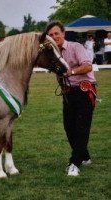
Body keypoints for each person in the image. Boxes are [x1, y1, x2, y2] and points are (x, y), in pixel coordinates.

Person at [45, 21, 97, 176]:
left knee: (81, 127)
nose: (54, 37)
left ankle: (74, 163)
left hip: (84, 90)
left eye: (56, 33)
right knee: (69, 127)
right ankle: (85, 156)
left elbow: (88, 66)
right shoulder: (54, 53)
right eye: (51, 35)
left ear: (63, 34)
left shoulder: (76, 47)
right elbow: (58, 73)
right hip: (68, 92)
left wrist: (71, 72)